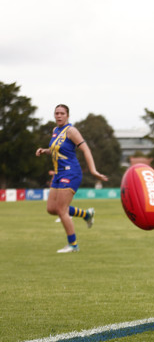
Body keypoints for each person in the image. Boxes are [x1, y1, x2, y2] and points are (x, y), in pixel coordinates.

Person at [35, 104, 108, 253]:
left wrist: (93, 170)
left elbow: (86, 149)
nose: (59, 116)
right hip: (58, 173)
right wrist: (45, 151)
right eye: (57, 113)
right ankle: (87, 214)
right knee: (51, 209)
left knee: (62, 210)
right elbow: (57, 150)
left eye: (62, 113)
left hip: (71, 173)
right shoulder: (55, 130)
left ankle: (73, 245)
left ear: (67, 115)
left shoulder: (71, 131)